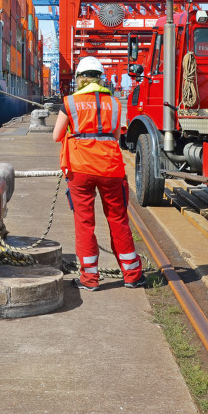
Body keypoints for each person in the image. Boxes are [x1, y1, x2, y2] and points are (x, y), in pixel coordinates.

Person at [52, 56, 146, 292]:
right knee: (118, 219)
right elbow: (115, 137)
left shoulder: (70, 102)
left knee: (85, 224)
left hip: (80, 169)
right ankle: (132, 275)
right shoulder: (114, 103)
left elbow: (56, 136)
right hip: (110, 167)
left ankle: (89, 279)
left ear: (79, 78)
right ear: (101, 77)